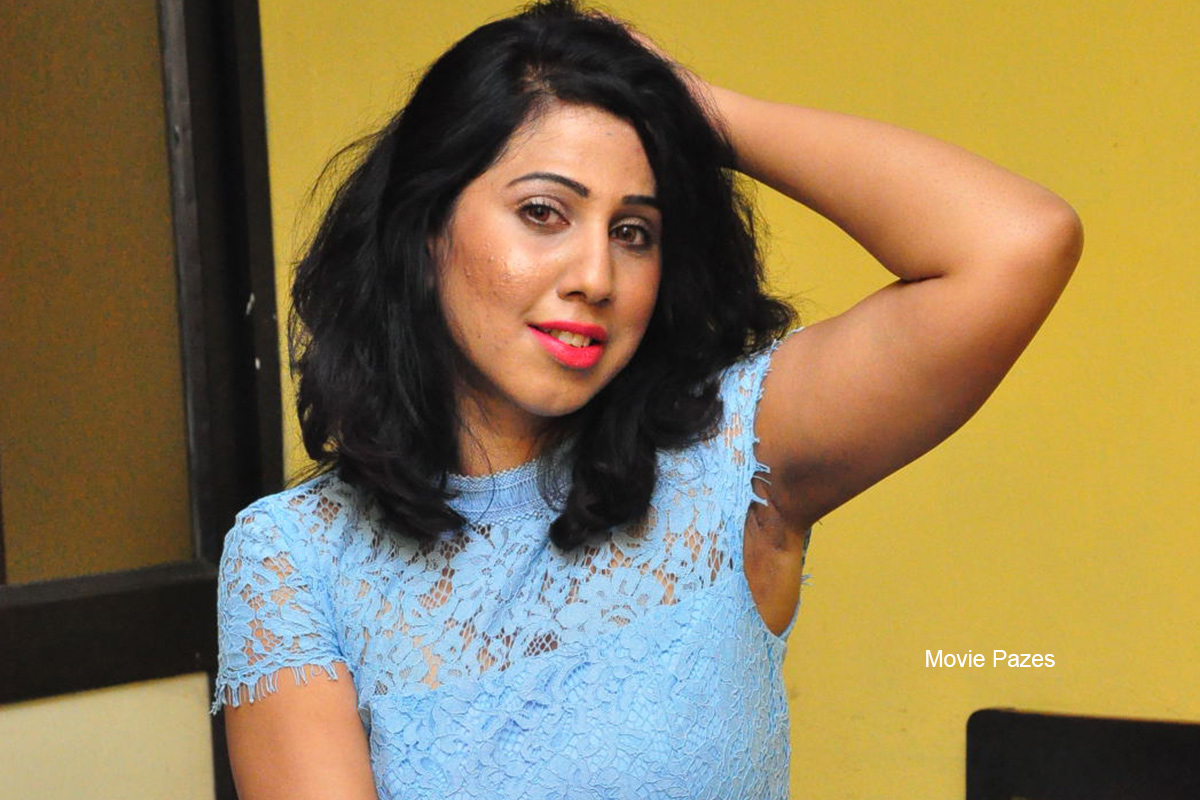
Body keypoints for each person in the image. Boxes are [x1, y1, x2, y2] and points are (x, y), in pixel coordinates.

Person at [212, 1, 1083, 798]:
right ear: (424, 224)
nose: (596, 276)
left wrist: (690, 108)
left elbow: (1017, 243)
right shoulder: (297, 558)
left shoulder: (735, 457)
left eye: (633, 232)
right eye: (544, 213)